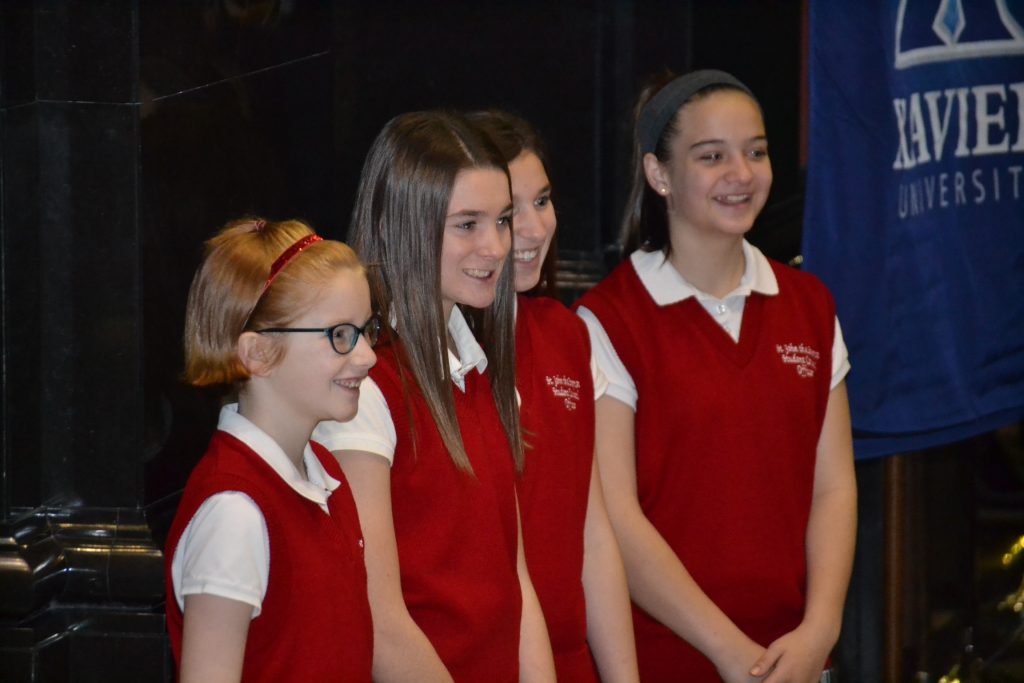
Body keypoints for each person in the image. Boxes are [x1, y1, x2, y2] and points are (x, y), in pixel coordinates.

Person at [575, 69, 857, 683]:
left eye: (756, 152)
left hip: (799, 659)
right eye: (712, 157)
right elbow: (618, 517)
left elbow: (833, 487)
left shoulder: (809, 305)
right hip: (667, 660)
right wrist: (732, 653)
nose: (742, 174)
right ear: (659, 174)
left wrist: (821, 629)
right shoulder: (609, 318)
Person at [313, 111, 555, 682]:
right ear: (407, 226)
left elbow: (513, 576)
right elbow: (381, 620)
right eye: (467, 224)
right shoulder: (366, 384)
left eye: (500, 220)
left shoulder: (479, 365)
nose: (496, 246)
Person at [165, 217, 378, 683]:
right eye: (341, 335)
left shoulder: (320, 474)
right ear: (258, 353)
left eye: (366, 330)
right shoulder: (235, 511)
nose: (367, 356)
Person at [468, 109, 640, 683]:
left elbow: (592, 532)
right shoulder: (425, 359)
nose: (536, 229)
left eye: (542, 201)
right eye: (509, 212)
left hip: (571, 660)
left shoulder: (567, 334)